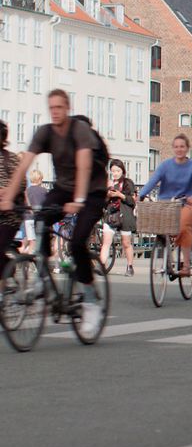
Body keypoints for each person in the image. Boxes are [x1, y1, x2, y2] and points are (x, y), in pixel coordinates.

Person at [0, 89, 108, 335]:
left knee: (78, 242)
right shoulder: (45, 132)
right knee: (41, 220)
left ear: (67, 108)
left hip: (91, 191)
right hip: (63, 188)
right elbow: (24, 163)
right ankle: (42, 279)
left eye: (60, 107)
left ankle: (90, 300)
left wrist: (79, 200)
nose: (55, 112)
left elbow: (83, 166)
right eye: (52, 108)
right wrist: (8, 195)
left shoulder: (78, 131)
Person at [138, 134, 192, 277]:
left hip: (187, 203)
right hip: (167, 203)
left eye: (182, 146)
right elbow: (153, 181)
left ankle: (186, 266)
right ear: (173, 148)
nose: (179, 149)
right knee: (158, 226)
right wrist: (141, 194)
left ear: (187, 148)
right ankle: (168, 255)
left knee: (182, 227)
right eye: (176, 147)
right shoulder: (165, 165)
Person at [100, 158, 137, 275]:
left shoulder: (128, 183)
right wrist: (107, 195)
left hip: (124, 215)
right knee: (106, 242)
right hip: (111, 215)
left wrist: (120, 195)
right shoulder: (109, 184)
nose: (115, 173)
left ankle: (130, 266)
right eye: (113, 171)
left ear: (122, 171)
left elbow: (132, 201)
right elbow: (103, 203)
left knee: (126, 243)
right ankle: (102, 266)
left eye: (117, 171)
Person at [0, 120, 26, 278]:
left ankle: (8, 268)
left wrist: (6, 191)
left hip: (10, 216)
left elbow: (21, 182)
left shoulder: (10, 158)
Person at [21, 169, 47, 254]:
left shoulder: (27, 191)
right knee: (36, 242)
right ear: (39, 179)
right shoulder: (43, 190)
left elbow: (25, 204)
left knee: (31, 240)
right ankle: (31, 260)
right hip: (37, 218)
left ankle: (23, 259)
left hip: (28, 218)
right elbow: (45, 205)